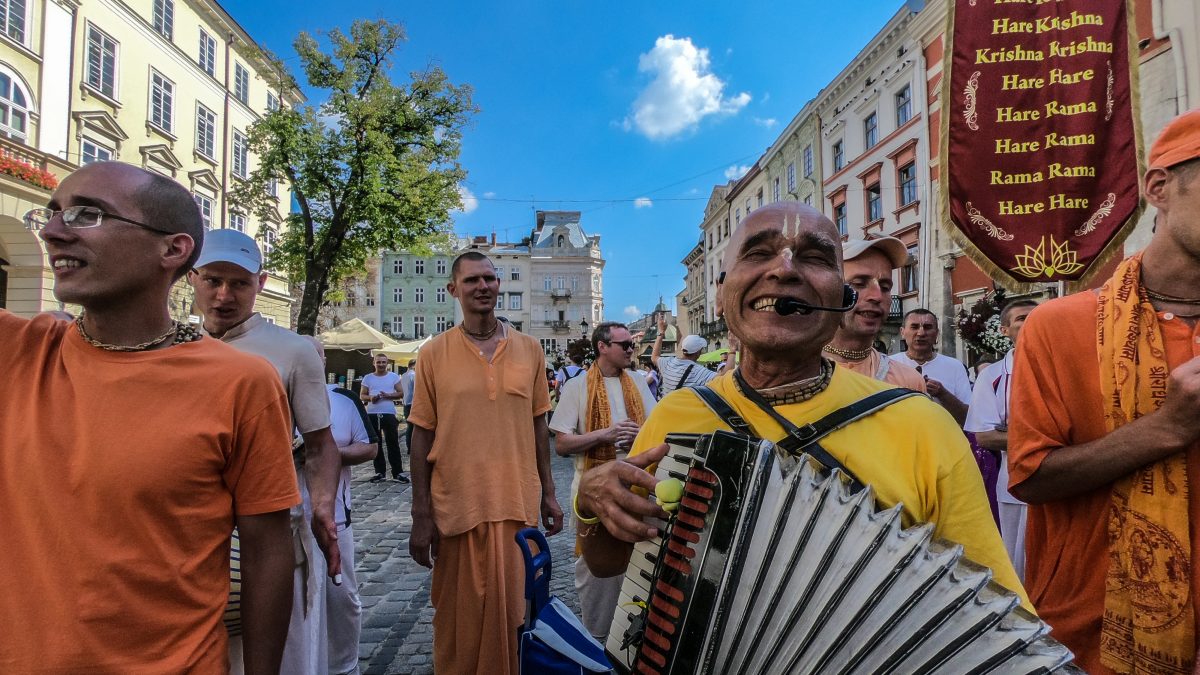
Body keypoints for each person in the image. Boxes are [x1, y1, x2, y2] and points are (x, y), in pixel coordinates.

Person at [574, 202, 1024, 608]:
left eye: (813, 257)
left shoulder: (922, 425)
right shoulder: (677, 415)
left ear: (840, 296)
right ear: (723, 292)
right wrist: (591, 503)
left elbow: (993, 608)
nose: (784, 269)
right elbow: (609, 561)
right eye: (757, 253)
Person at [1, 162, 298, 673]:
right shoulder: (18, 351)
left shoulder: (241, 383)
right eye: (50, 214)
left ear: (173, 250)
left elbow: (267, 551)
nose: (53, 230)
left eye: (87, 214)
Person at [1009, 109, 1200, 674]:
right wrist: (1166, 429)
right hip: (1094, 641)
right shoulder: (1059, 324)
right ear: (1159, 187)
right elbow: (1031, 478)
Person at [188, 228, 343, 673]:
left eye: (238, 283)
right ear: (192, 278)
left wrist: (324, 509)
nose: (223, 295)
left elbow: (320, 443)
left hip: (270, 533)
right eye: (213, 280)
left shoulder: (292, 351)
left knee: (280, 658)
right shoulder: (175, 346)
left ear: (260, 282)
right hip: (191, 538)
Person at [407, 251, 565, 674]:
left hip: (515, 501)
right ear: (453, 290)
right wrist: (420, 513)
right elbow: (421, 434)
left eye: (491, 279)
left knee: (514, 611)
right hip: (456, 504)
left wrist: (550, 494)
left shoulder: (530, 350)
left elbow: (538, 427)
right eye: (473, 280)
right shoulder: (434, 353)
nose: (484, 287)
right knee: (457, 617)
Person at [549, 321, 657, 640]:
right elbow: (562, 444)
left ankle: (640, 638)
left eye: (631, 345)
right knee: (598, 572)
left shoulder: (637, 380)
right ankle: (599, 638)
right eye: (624, 345)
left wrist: (640, 436)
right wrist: (605, 436)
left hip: (639, 487)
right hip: (595, 493)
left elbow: (656, 429)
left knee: (644, 562)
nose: (631, 350)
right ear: (603, 347)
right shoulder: (577, 387)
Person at [305, 336, 377, 675]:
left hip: (335, 516)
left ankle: (344, 666)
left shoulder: (343, 400)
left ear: (323, 361)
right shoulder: (273, 397)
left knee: (341, 596)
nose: (309, 360)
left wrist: (325, 454)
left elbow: (369, 448)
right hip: (285, 519)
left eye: (315, 355)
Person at [965, 299, 1037, 582]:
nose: (1031, 322)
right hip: (1014, 487)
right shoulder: (993, 376)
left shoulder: (1064, 366)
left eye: (1037, 316)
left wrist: (1012, 431)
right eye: (1021, 318)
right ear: (1005, 330)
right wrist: (1049, 439)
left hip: (1065, 483)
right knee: (1018, 566)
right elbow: (986, 436)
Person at [823, 237, 926, 392]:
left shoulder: (909, 381)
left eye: (885, 287)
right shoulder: (794, 375)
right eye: (859, 284)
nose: (877, 296)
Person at [891, 309, 972, 424]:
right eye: (914, 327)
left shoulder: (954, 366)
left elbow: (968, 418)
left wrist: (942, 394)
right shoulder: (889, 364)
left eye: (928, 327)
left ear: (937, 334)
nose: (921, 333)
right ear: (902, 332)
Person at [361, 353, 409, 483]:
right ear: (374, 363)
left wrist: (388, 395)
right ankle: (379, 472)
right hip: (372, 413)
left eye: (383, 362)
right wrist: (371, 398)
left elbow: (401, 393)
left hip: (388, 413)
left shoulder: (393, 377)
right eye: (378, 362)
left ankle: (397, 472)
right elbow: (362, 395)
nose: (381, 365)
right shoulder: (368, 378)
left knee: (393, 442)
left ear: (387, 363)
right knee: (377, 444)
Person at [651, 314, 717, 396]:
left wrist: (661, 331)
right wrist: (732, 351)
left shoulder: (668, 363)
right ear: (698, 353)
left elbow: (654, 357)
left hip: (667, 408)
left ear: (682, 348)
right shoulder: (700, 372)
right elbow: (722, 378)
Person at [401, 358, 418, 454]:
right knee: (414, 427)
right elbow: (417, 391)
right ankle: (414, 448)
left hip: (405, 403)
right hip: (413, 403)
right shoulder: (414, 376)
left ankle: (409, 448)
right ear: (414, 365)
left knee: (409, 426)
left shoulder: (403, 376)